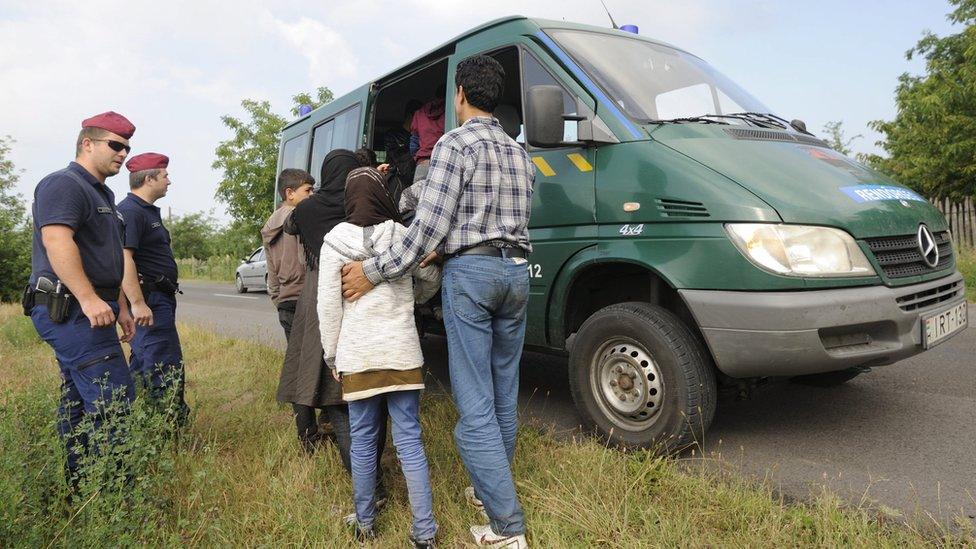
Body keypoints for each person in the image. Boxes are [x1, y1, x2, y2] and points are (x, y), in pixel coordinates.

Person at [340, 56, 535, 547]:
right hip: (516, 273)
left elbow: (426, 229)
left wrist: (371, 270)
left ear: (462, 93)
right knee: (503, 390)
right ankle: (484, 488)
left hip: (472, 274)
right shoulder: (520, 153)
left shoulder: (454, 143)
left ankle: (507, 528)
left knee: (474, 404)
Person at [318, 167, 441, 546]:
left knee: (364, 440)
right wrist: (411, 299)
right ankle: (424, 532)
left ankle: (366, 521)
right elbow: (431, 278)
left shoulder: (334, 241)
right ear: (383, 196)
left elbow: (328, 305)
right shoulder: (403, 235)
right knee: (410, 442)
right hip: (402, 352)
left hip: (358, 355)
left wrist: (332, 355)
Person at [24, 111, 138, 490]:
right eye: (115, 145)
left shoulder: (101, 192)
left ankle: (79, 488)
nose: (123, 153)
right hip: (70, 310)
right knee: (114, 397)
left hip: (95, 309)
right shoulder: (63, 184)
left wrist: (121, 305)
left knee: (78, 398)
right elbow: (57, 240)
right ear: (87, 143)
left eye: (126, 147)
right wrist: (89, 299)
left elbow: (108, 255)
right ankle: (116, 494)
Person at [277, 149, 389, 488]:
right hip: (367, 291)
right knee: (374, 391)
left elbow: (289, 223)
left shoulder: (308, 209)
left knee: (334, 393)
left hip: (319, 296)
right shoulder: (361, 201)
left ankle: (367, 484)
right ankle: (373, 475)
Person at [117, 152, 190, 424]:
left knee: (145, 363)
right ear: (149, 179)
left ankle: (142, 423)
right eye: (165, 176)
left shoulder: (144, 211)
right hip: (150, 301)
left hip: (158, 299)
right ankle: (169, 429)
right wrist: (137, 302)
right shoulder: (131, 211)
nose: (169, 181)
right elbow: (124, 258)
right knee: (165, 366)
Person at [261, 168, 314, 340]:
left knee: (294, 360)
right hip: (305, 298)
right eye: (308, 190)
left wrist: (279, 300)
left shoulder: (269, 225)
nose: (312, 194)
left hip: (285, 302)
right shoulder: (301, 218)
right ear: (289, 193)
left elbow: (271, 273)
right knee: (312, 362)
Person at [410, 84, 446, 184]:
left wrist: (419, 159)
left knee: (418, 197)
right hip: (443, 164)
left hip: (423, 165)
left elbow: (413, 145)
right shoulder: (451, 111)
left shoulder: (419, 113)